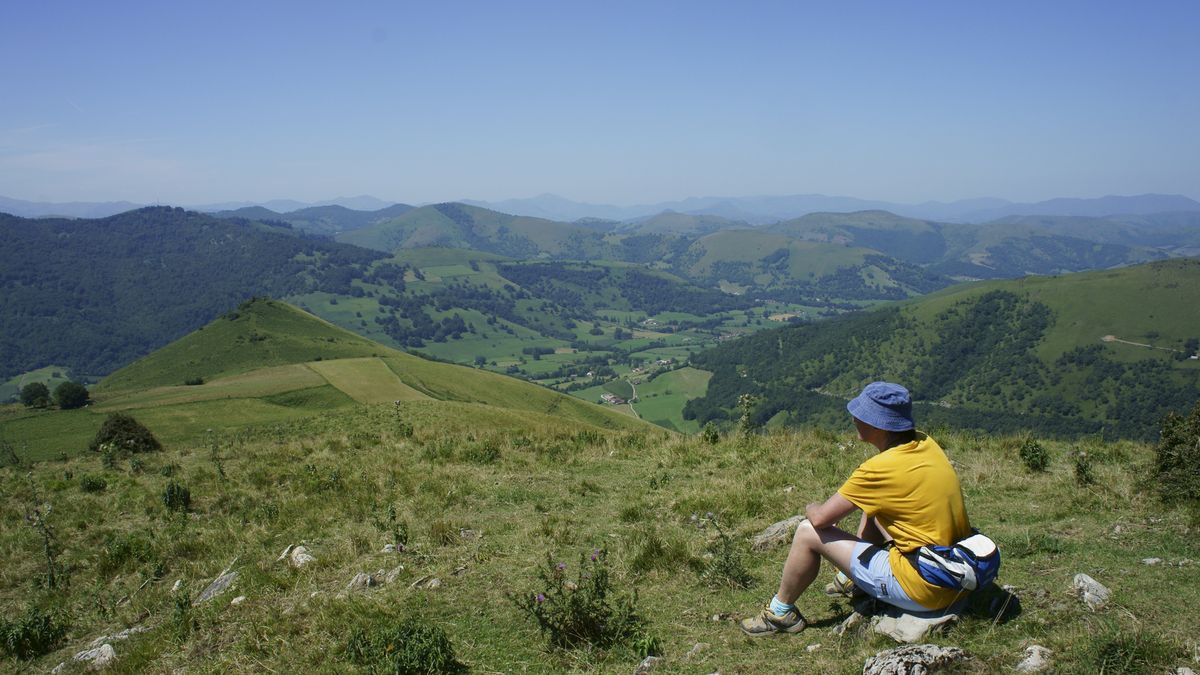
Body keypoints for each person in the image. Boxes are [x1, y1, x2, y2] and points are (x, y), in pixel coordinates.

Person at [740, 381, 973, 636]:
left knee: (807, 532)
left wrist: (810, 506)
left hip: (923, 589)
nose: (854, 418)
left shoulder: (878, 470)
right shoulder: (926, 443)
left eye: (861, 414)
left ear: (878, 424)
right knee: (873, 505)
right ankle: (849, 579)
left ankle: (779, 613)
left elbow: (819, 519)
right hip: (955, 576)